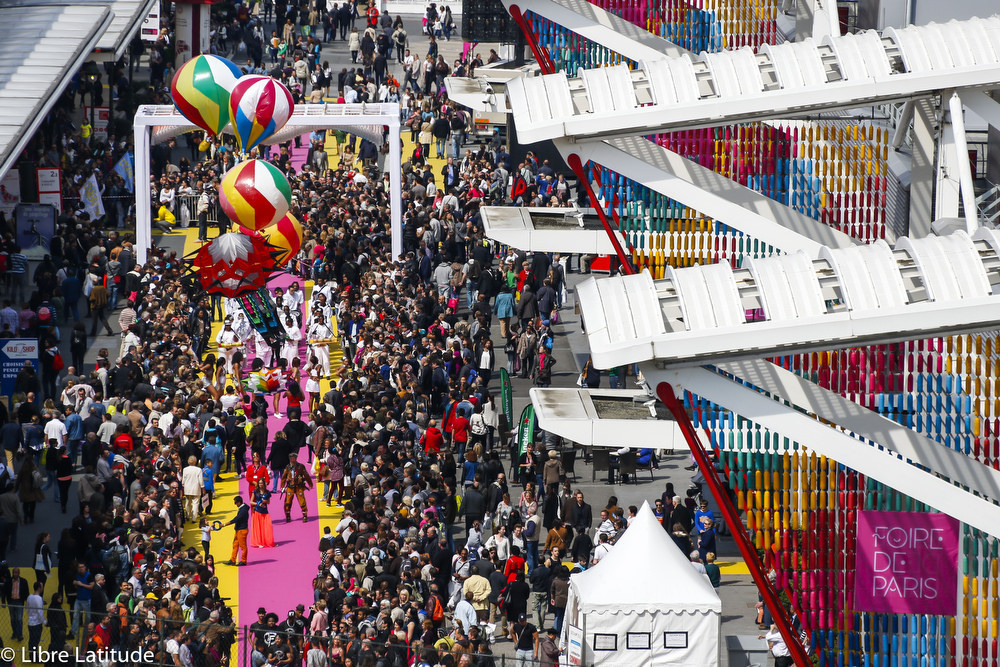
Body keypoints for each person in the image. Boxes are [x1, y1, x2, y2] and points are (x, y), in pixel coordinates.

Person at [280, 451, 313, 522]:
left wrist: (310, 483)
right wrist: (282, 486)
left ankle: (305, 516)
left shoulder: (301, 466)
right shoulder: (288, 467)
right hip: (290, 486)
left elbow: (306, 475)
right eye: (291, 458)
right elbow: (284, 477)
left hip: (299, 486)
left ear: (296, 458)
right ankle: (288, 516)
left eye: (294, 458)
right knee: (287, 502)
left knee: (302, 502)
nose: (292, 459)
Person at [251, 478, 276, 547]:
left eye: (262, 483)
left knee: (268, 527)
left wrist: (265, 501)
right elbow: (251, 501)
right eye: (259, 483)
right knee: (258, 528)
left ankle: (268, 541)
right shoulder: (255, 492)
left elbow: (269, 502)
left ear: (264, 484)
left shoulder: (267, 492)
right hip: (257, 511)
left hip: (265, 512)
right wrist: (257, 503)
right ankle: (259, 543)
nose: (260, 484)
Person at [225, 496, 250, 566]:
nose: (235, 504)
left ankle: (243, 560)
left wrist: (225, 524)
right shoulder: (243, 508)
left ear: (239, 502)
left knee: (243, 546)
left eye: (235, 503)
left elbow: (236, 519)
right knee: (235, 545)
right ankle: (232, 559)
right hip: (239, 530)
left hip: (242, 530)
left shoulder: (243, 511)